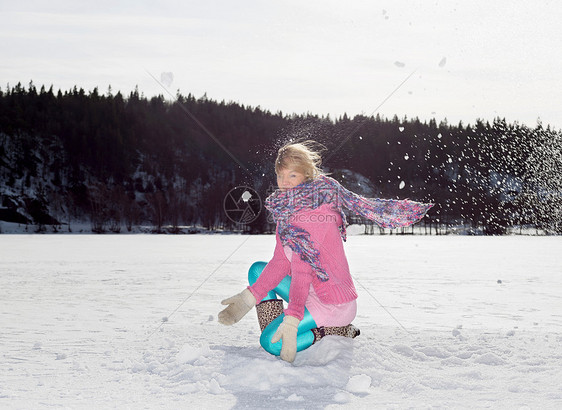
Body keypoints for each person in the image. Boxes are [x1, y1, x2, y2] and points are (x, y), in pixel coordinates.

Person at [218, 141, 433, 363]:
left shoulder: (315, 214)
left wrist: (292, 320)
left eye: (292, 176)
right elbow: (281, 263)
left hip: (331, 303)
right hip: (308, 292)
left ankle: (326, 331)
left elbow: (302, 274)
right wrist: (248, 298)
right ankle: (280, 330)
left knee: (269, 342)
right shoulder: (287, 213)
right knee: (257, 271)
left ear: (306, 175)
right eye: (280, 176)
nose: (284, 183)